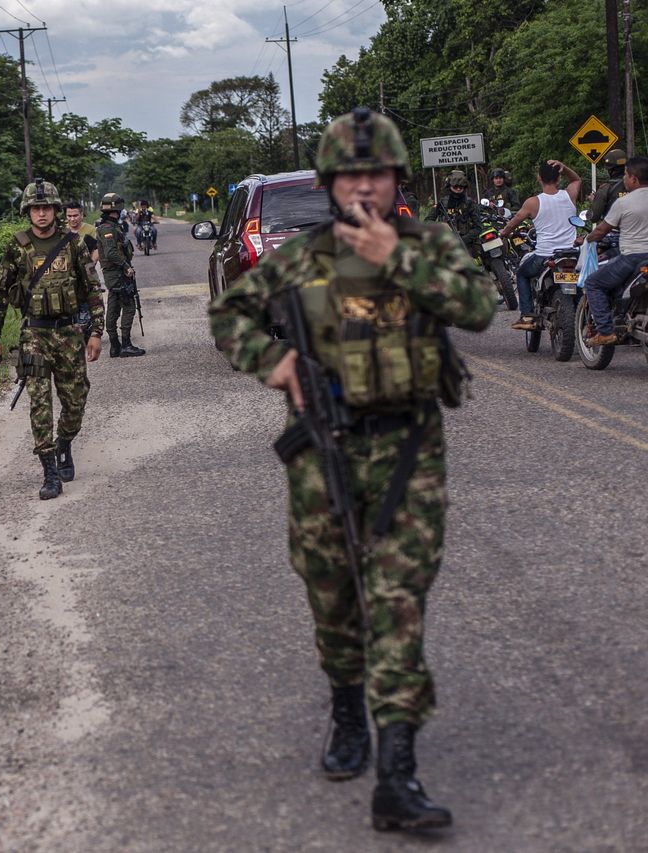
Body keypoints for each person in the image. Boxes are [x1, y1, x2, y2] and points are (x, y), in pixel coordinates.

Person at [211, 108, 495, 833]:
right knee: (332, 592)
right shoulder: (299, 257)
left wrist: (393, 254)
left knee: (399, 599)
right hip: (321, 450)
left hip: (410, 450)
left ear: (397, 178)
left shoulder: (429, 244)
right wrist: (273, 362)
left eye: (377, 173)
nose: (364, 185)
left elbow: (478, 307)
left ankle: (397, 770)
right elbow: (229, 313)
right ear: (331, 183)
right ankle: (346, 709)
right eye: (350, 174)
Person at [0, 178, 104, 500]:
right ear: (28, 211)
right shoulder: (16, 245)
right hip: (34, 333)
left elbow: (93, 289)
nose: (41, 214)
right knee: (39, 403)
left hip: (68, 333)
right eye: (36, 208)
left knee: (76, 401)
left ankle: (65, 442)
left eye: (46, 208)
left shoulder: (74, 243)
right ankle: (50, 471)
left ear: (55, 210)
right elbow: (0, 293)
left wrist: (96, 332)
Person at [500, 160, 581, 330]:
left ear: (539, 178)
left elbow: (514, 222)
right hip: (572, 254)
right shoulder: (569, 195)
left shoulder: (533, 202)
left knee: (522, 274)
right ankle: (584, 316)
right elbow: (576, 180)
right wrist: (564, 167)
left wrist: (504, 233)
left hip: (545, 255)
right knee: (581, 282)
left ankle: (527, 316)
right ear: (559, 178)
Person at [581, 155, 648, 346]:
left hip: (632, 258)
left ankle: (605, 331)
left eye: (626, 175)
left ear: (634, 179)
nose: (624, 179)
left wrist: (586, 239)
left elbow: (601, 230)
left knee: (593, 282)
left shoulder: (623, 203)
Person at [95, 192, 145, 358]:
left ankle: (115, 346)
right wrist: (126, 266)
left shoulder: (109, 226)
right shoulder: (108, 228)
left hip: (115, 274)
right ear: (117, 208)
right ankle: (125, 344)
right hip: (116, 274)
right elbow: (110, 253)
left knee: (114, 306)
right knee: (129, 306)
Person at [587, 149, 629, 256]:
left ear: (610, 170)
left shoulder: (605, 189)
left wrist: (594, 201)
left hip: (613, 236)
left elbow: (594, 217)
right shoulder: (639, 186)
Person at [425, 170, 477, 249]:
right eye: (455, 186)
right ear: (449, 186)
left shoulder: (470, 203)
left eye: (461, 187)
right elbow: (427, 222)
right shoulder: (442, 203)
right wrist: (440, 225)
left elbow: (478, 227)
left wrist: (462, 240)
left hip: (466, 244)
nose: (458, 189)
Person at [64, 200, 101, 269]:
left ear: (81, 215)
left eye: (75, 216)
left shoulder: (91, 230)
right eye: (69, 216)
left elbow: (97, 250)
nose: (72, 219)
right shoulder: (62, 231)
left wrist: (90, 264)